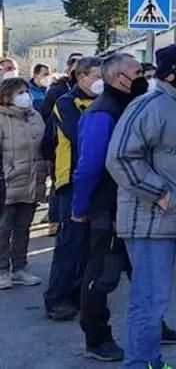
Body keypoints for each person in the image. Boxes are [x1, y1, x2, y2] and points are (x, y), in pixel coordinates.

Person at [106, 45, 176, 369]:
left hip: (169, 219)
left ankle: (150, 360)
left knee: (154, 300)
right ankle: (139, 364)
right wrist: (162, 195)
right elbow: (120, 157)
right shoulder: (149, 106)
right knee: (149, 300)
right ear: (169, 71)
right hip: (151, 220)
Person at [71, 54, 155, 361]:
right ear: (118, 77)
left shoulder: (132, 106)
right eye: (137, 72)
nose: (143, 76)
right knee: (101, 275)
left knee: (144, 270)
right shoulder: (102, 112)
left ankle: (153, 326)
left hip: (135, 202)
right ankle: (96, 338)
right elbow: (89, 166)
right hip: (107, 206)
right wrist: (80, 207)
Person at [43, 55, 103, 322]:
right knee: (70, 243)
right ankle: (56, 298)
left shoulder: (104, 102)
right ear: (81, 77)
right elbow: (82, 136)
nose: (101, 82)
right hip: (72, 182)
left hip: (98, 181)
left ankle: (80, 292)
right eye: (96, 77)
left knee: (91, 244)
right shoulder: (67, 103)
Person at [0, 77, 45, 290]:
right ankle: (2, 269)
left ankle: (20, 267)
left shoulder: (35, 116)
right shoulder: (1, 118)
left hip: (32, 179)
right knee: (3, 228)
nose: (25, 96)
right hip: (7, 183)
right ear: (7, 95)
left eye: (26, 91)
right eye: (20, 92)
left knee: (23, 227)